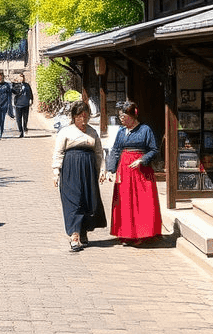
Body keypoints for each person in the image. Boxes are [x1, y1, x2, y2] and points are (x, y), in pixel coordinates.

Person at [102, 101, 163, 246]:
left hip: (141, 171)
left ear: (132, 116)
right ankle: (127, 234)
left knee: (142, 201)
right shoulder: (121, 131)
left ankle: (143, 234)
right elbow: (116, 150)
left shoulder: (145, 130)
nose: (121, 119)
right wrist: (110, 169)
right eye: (120, 116)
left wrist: (142, 159)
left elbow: (154, 150)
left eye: (123, 116)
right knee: (125, 201)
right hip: (125, 170)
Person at [51, 99, 106, 251]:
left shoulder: (92, 132)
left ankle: (83, 231)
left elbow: (99, 153)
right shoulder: (66, 132)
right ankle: (74, 235)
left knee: (88, 200)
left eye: (85, 116)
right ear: (74, 117)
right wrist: (56, 171)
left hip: (88, 170)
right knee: (73, 200)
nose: (83, 120)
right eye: (79, 116)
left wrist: (102, 170)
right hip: (71, 169)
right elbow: (58, 152)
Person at [11, 72, 33, 137]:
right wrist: (13, 85)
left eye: (23, 77)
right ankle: (20, 131)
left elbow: (30, 93)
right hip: (18, 104)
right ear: (18, 78)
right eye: (20, 77)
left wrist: (31, 99)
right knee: (18, 119)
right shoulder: (15, 85)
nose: (22, 79)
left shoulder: (27, 85)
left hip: (26, 104)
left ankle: (25, 127)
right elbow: (14, 92)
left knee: (25, 118)